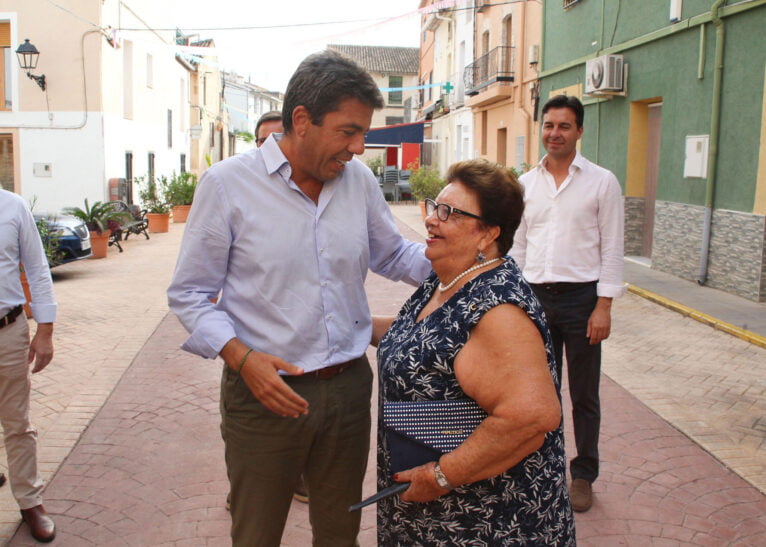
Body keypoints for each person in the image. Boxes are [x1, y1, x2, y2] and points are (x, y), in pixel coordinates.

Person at [167, 50, 430, 546]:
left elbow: (393, 254)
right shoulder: (227, 186)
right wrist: (242, 360)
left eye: (363, 134)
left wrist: (462, 263)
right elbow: (190, 295)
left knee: (339, 532)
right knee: (257, 532)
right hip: (265, 393)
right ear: (303, 120)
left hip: (349, 390)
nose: (358, 147)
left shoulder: (358, 182)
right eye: (348, 131)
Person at [373, 159, 575, 545]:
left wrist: (441, 476)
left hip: (486, 523)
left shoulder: (498, 309)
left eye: (449, 213)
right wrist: (356, 324)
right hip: (435, 517)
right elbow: (425, 344)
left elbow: (532, 417)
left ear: (488, 234)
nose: (432, 219)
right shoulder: (448, 280)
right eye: (434, 206)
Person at [511, 94, 626, 512]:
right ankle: (542, 468)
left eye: (563, 126)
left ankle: (583, 475)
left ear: (579, 130)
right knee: (539, 392)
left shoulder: (602, 182)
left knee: (584, 395)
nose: (554, 133)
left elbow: (613, 248)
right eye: (548, 125)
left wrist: (604, 306)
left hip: (582, 301)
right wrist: (516, 302)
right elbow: (519, 247)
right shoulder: (526, 184)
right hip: (536, 300)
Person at [0, 189, 57, 543]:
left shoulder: (12, 206)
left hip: (8, 330)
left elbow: (37, 268)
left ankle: (29, 500)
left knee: (16, 420)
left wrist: (46, 330)